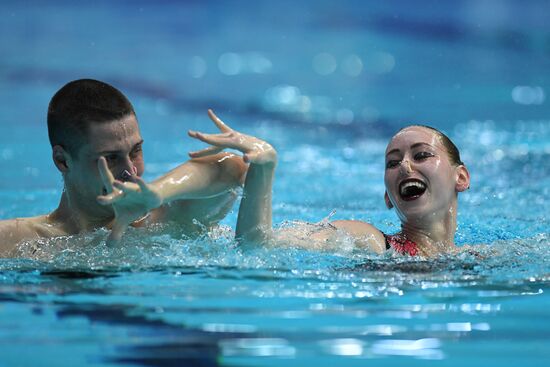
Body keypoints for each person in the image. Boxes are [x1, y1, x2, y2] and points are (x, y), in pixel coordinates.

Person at [0, 79, 247, 257]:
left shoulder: (159, 222)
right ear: (62, 161)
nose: (131, 171)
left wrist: (159, 193)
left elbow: (231, 168)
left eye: (135, 151)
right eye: (111, 158)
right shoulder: (17, 240)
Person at [188, 116, 471, 258]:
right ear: (388, 197)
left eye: (422, 155)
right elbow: (256, 245)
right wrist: (264, 169)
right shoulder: (371, 241)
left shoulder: (482, 256)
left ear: (461, 177)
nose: (406, 167)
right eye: (392, 163)